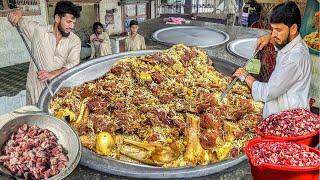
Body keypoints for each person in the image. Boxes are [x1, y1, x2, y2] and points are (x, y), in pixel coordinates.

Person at [233, 1, 311, 118]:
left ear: (293, 29)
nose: (274, 34)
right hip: (281, 111)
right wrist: (269, 37)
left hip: (287, 120)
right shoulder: (293, 43)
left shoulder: (294, 58)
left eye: (278, 30)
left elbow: (268, 93)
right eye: (272, 29)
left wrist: (246, 76)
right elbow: (281, 40)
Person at [8, 1, 81, 105]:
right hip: (36, 91)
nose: (72, 26)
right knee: (35, 119)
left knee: (59, 118)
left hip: (59, 92)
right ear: (57, 18)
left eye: (74, 23)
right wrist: (17, 13)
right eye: (69, 22)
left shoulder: (75, 40)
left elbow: (73, 64)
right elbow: (16, 18)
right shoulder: (38, 31)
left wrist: (52, 74)